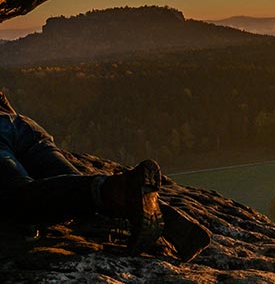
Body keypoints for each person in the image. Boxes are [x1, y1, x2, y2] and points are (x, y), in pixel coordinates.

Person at [0, 90, 162, 252]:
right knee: (74, 187)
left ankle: (117, 190)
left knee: (19, 197)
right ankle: (139, 203)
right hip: (25, 127)